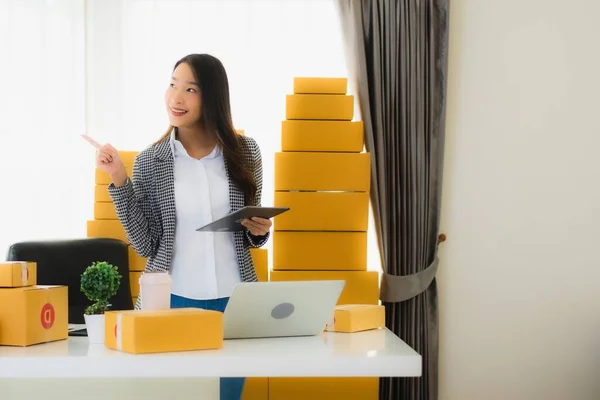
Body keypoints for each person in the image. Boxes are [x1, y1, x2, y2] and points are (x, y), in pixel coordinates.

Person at [95, 53, 271, 400]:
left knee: (226, 396)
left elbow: (251, 236)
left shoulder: (247, 152)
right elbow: (146, 244)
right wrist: (119, 179)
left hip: (235, 304)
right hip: (171, 300)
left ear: (213, 97)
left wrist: (259, 230)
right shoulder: (151, 160)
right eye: (173, 84)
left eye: (190, 89)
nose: (176, 98)